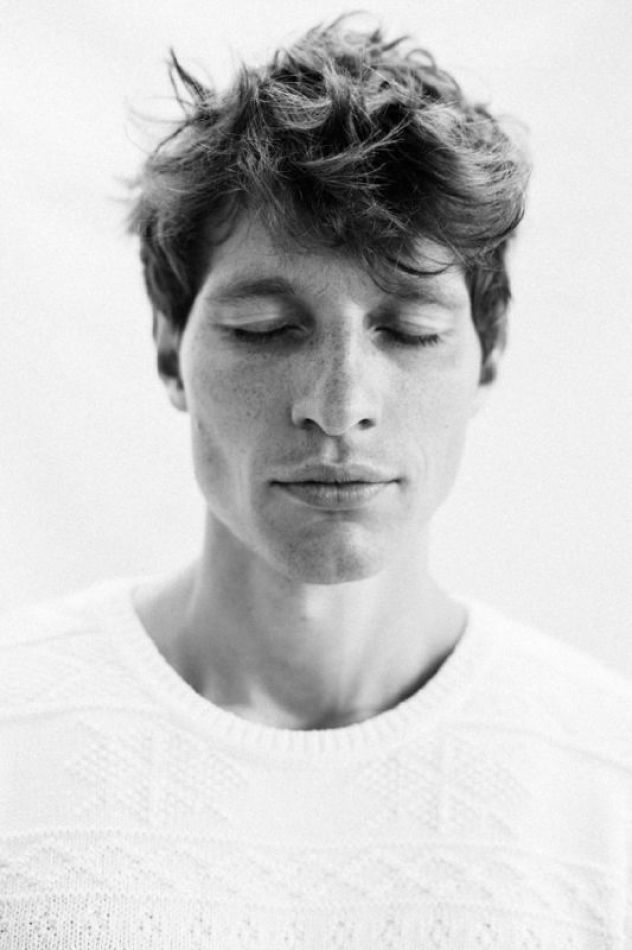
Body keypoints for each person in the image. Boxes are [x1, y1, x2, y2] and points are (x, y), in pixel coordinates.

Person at [2, 16, 631, 949]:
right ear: (171, 351)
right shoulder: (17, 728)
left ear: (487, 357)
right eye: (265, 329)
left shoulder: (605, 781)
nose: (339, 407)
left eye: (410, 332)